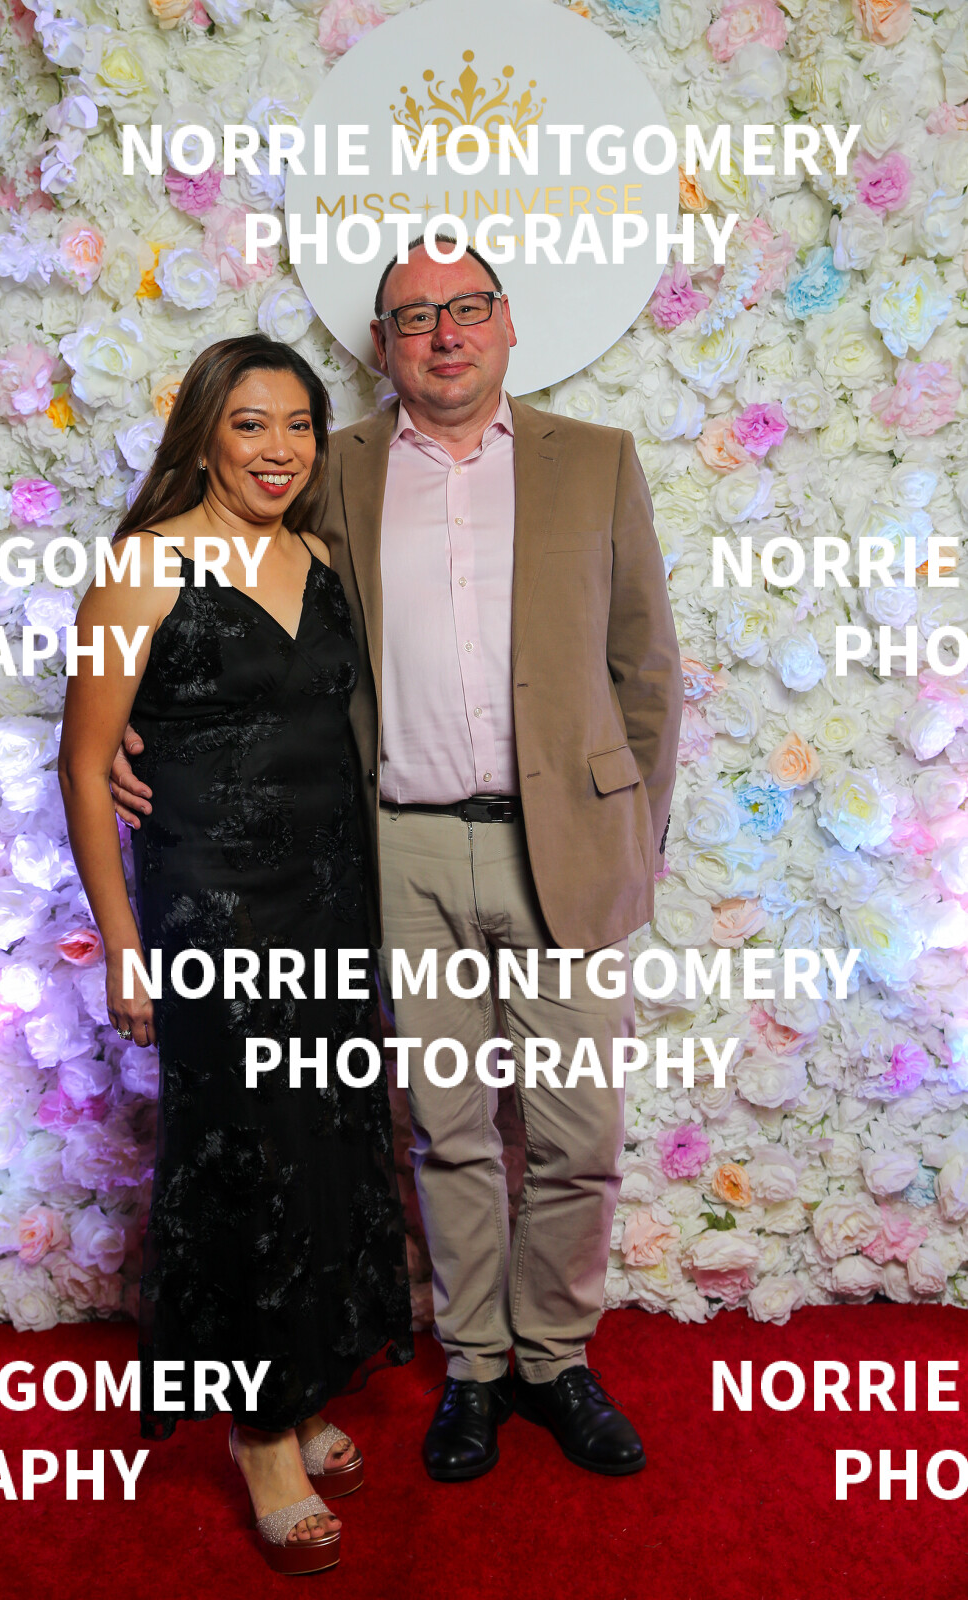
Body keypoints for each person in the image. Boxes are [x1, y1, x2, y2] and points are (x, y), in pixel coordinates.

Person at [112, 239, 683, 1483]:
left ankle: (556, 1358)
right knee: (446, 1129)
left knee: (578, 1132)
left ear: (507, 322)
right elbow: (241, 611)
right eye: (414, 316)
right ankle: (472, 1366)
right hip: (398, 851)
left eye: (466, 308)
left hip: (561, 847)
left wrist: (627, 840)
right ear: (382, 345)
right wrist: (127, 728)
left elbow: (645, 670)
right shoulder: (335, 467)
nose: (443, 333)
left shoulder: (596, 459)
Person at [58, 334, 412, 1575]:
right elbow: (82, 765)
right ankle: (260, 1434)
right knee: (249, 1158)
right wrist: (124, 948)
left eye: (298, 425)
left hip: (331, 903)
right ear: (204, 434)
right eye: (251, 424)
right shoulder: (142, 567)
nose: (279, 449)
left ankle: (305, 1386)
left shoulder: (322, 560)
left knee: (327, 1142)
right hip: (211, 911)